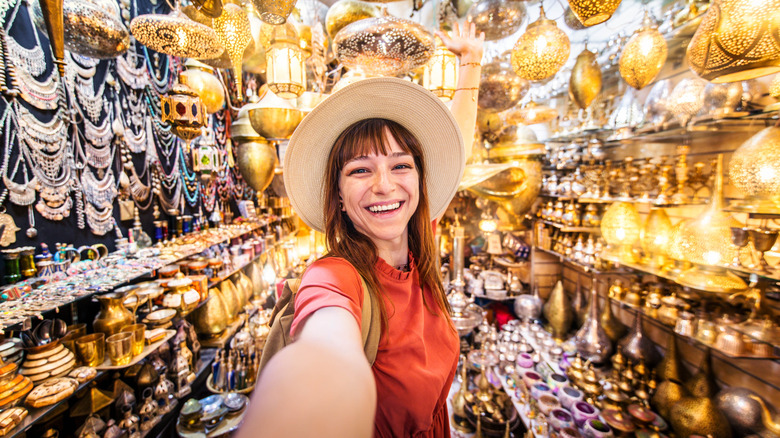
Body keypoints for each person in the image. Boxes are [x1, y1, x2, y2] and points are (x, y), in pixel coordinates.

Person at [237, 23, 484, 438]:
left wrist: (471, 61)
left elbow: (456, 145)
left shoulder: (418, 239)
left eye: (401, 165)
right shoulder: (335, 277)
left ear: (421, 181)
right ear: (337, 195)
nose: (385, 185)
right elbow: (325, 351)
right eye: (360, 170)